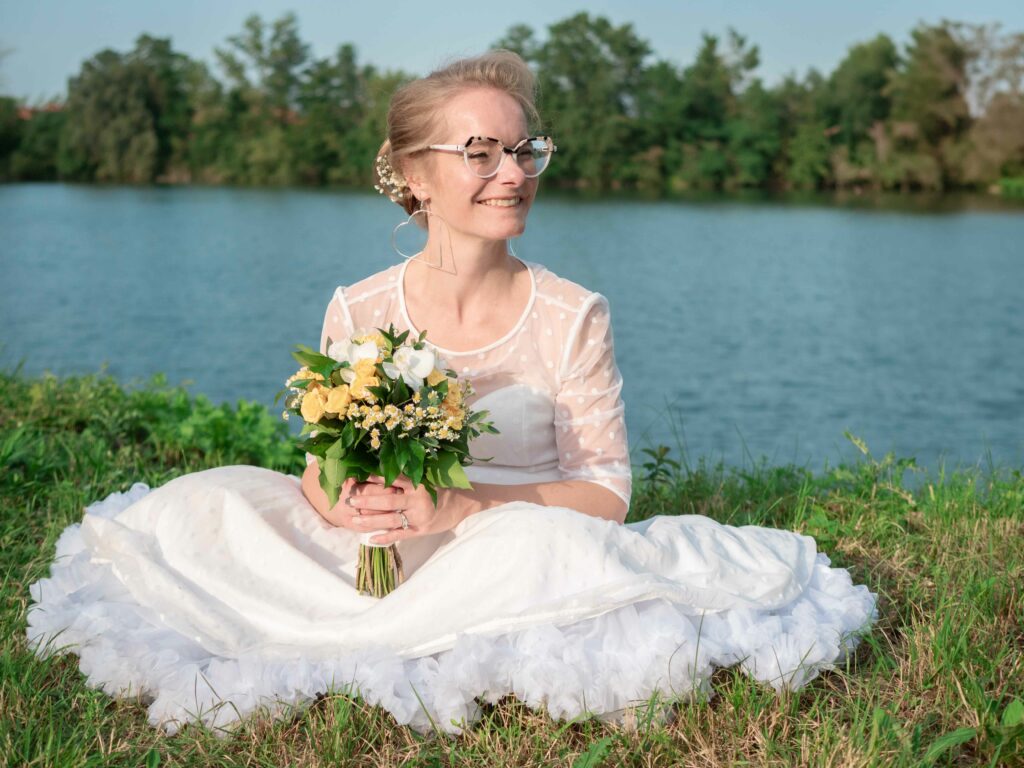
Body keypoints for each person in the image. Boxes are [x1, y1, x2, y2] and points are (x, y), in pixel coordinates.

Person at [26, 50, 877, 736]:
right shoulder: (359, 308)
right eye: (481, 153)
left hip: (513, 544)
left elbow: (607, 493)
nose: (513, 172)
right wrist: (351, 502)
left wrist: (463, 507)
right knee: (205, 507)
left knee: (538, 549)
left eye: (525, 150)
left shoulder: (571, 313)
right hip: (382, 550)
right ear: (414, 174)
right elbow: (319, 476)